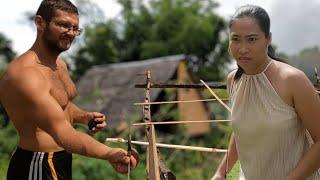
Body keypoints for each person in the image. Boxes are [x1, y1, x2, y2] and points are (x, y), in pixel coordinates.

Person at [0, 0, 138, 179]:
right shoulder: (26, 75)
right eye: (63, 25)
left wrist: (84, 117)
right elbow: (63, 133)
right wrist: (109, 153)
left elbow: (61, 106)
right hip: (38, 166)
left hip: (60, 160)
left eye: (75, 28)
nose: (71, 33)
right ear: (40, 22)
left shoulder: (59, 65)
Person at [211, 4, 320, 180]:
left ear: (268, 39)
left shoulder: (292, 80)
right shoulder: (234, 80)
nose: (243, 48)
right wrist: (221, 172)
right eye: (236, 39)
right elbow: (244, 128)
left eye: (252, 39)